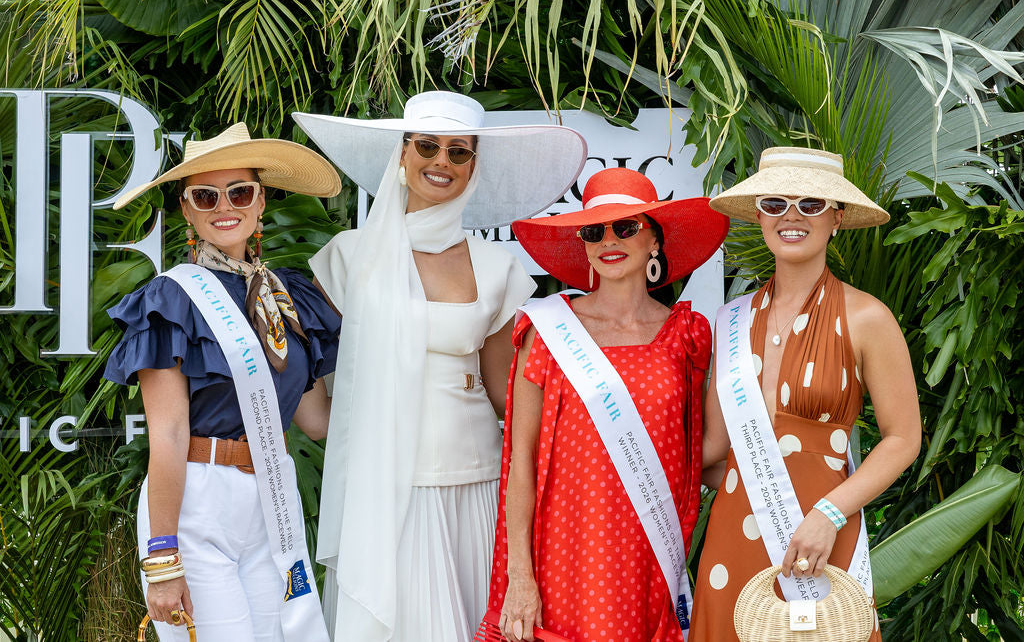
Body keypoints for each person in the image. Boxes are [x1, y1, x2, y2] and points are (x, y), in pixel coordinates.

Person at [291, 91, 588, 642]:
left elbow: (507, 395)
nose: (441, 161)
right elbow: (308, 385)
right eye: (427, 146)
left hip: (472, 484)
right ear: (402, 154)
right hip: (383, 486)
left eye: (459, 150)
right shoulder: (349, 257)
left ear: (474, 164)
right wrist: (316, 414)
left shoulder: (497, 267)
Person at [104, 123, 343, 642]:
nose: (224, 206)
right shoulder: (171, 301)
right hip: (198, 501)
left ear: (261, 201)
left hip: (272, 497)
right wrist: (162, 558)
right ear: (187, 210)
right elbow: (168, 435)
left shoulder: (288, 300)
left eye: (240, 192)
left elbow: (317, 421)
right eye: (206, 196)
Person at [485, 167, 729, 642]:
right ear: (584, 246)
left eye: (626, 226)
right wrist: (520, 574)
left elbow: (699, 451)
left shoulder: (686, 335)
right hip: (565, 548)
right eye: (594, 231)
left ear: (655, 240)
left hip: (648, 550)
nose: (609, 240)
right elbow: (521, 462)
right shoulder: (546, 331)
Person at [690, 147, 921, 641]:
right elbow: (713, 450)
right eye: (775, 203)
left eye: (811, 204)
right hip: (735, 537)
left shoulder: (868, 317)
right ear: (759, 216)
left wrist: (829, 514)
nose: (791, 216)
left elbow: (903, 439)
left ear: (836, 218)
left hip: (823, 533)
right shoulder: (732, 320)